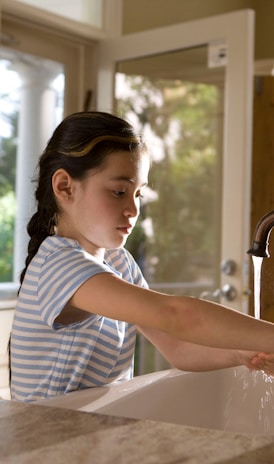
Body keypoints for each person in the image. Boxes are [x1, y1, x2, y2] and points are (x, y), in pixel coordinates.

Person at [10, 111, 274, 402]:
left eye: (138, 194)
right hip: (46, 440)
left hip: (90, 434)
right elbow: (177, 316)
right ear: (65, 187)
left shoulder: (118, 261)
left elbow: (177, 346)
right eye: (119, 191)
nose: (133, 210)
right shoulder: (58, 265)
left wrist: (239, 352)